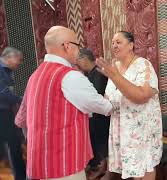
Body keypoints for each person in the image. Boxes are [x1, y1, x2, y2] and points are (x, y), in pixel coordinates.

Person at [14, 26, 113, 180]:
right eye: (78, 46)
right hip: (64, 166)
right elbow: (105, 107)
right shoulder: (70, 77)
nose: (79, 51)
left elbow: (22, 120)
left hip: (37, 165)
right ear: (67, 46)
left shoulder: (34, 76)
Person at [96, 31, 162, 180]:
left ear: (131, 45)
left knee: (144, 168)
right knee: (131, 171)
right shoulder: (115, 66)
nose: (114, 46)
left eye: (118, 42)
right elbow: (111, 97)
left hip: (141, 129)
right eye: (113, 43)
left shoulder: (143, 65)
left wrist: (114, 75)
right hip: (121, 128)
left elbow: (141, 96)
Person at [77, 48, 110, 179]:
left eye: (78, 60)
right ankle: (99, 166)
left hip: (101, 117)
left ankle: (105, 169)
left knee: (102, 143)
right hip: (93, 116)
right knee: (95, 142)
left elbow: (97, 95)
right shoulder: (89, 74)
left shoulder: (99, 73)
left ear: (84, 59)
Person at [0, 47, 26, 180]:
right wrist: (22, 100)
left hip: (6, 112)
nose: (19, 63)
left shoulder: (7, 71)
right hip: (2, 113)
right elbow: (3, 94)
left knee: (14, 144)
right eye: (18, 60)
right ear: (9, 57)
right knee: (14, 144)